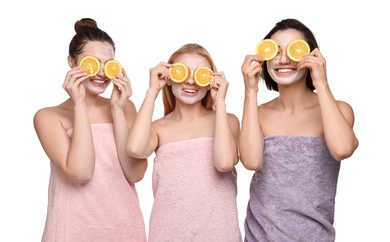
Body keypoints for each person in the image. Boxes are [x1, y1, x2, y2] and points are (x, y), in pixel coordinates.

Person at [240, 18, 359, 241]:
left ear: (312, 56)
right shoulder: (259, 113)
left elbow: (342, 149)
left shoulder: (340, 110)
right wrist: (250, 91)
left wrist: (321, 82)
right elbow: (250, 161)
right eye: (275, 51)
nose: (283, 59)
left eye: (293, 50)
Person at [33, 18, 147, 241]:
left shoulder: (126, 107)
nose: (102, 73)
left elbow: (136, 173)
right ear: (71, 62)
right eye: (92, 63)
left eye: (109, 64)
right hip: (71, 232)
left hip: (126, 230)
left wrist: (117, 109)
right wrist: (80, 105)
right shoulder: (48, 117)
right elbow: (80, 172)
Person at [127, 43, 242, 241]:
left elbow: (224, 163)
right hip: (168, 235)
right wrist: (153, 91)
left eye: (200, 74)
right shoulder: (158, 128)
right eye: (182, 72)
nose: (190, 81)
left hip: (219, 234)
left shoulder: (227, 120)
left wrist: (220, 103)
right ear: (169, 79)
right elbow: (135, 148)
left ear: (211, 82)